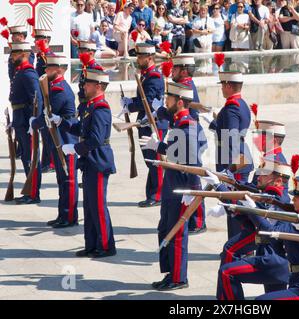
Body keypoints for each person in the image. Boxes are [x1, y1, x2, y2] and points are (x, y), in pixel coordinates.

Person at [140, 83, 207, 290]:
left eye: (169, 98)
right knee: (165, 228)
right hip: (172, 185)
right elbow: (178, 151)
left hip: (181, 188)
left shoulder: (186, 126)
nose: (166, 101)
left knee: (176, 233)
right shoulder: (180, 121)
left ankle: (179, 277)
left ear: (179, 102)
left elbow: (192, 162)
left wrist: (191, 191)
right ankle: (171, 273)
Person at [50, 70, 117, 258]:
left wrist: (75, 149)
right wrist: (61, 122)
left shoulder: (101, 108)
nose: (84, 86)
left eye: (87, 84)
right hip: (90, 161)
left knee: (97, 205)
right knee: (89, 206)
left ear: (98, 86)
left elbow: (96, 139)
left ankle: (106, 245)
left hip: (98, 161)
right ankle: (92, 244)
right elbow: (80, 128)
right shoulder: (90, 107)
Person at [215, 161, 292, 300]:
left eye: (263, 174)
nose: (258, 176)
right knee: (272, 294)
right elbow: (243, 216)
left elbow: (264, 227)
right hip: (272, 254)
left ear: (278, 181)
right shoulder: (270, 196)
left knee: (227, 271)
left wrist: (220, 187)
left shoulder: (274, 199)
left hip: (273, 257)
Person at [200, 71, 254, 239]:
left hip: (234, 162)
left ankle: (237, 247)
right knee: (235, 207)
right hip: (240, 157)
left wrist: (228, 170)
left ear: (229, 86)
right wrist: (216, 122)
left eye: (223, 85)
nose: (222, 88)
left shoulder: (231, 108)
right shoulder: (241, 104)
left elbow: (230, 138)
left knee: (235, 208)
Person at [31, 56, 79, 228]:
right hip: (60, 135)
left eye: (49, 68)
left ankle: (69, 216)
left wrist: (34, 124)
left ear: (58, 69)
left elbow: (49, 114)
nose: (45, 70)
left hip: (67, 137)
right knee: (62, 178)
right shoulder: (54, 87)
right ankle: (63, 214)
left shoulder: (59, 89)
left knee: (68, 179)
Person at [120, 44, 167, 208]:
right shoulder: (147, 75)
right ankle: (152, 193)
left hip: (154, 123)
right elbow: (143, 100)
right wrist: (130, 102)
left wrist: (131, 105)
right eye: (138, 57)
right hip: (146, 122)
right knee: (150, 160)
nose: (138, 60)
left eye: (141, 57)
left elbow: (146, 102)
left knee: (155, 161)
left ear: (150, 58)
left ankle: (158, 194)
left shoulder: (153, 77)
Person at [9, 42, 43, 205]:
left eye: (14, 54)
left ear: (23, 54)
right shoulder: (20, 71)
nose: (12, 57)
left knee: (31, 156)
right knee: (25, 156)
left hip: (26, 120)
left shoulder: (28, 73)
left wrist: (34, 121)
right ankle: (30, 190)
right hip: (20, 119)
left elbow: (36, 100)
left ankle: (34, 192)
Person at [34, 29, 56, 174]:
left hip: (48, 97)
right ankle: (46, 161)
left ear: (47, 40)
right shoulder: (41, 56)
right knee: (44, 131)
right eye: (36, 39)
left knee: (48, 132)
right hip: (42, 96)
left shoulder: (49, 57)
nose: (36, 42)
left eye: (40, 39)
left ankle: (50, 162)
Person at [76, 41, 104, 116]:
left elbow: (96, 92)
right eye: (79, 51)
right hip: (84, 105)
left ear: (91, 53)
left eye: (82, 51)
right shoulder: (85, 67)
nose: (79, 54)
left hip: (92, 107)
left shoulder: (96, 68)